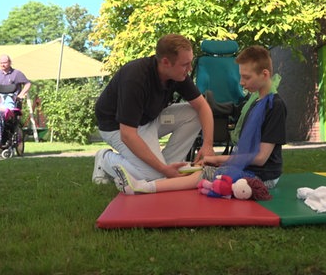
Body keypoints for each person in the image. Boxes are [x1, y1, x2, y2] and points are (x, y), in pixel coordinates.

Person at [111, 45, 287, 195]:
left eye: (246, 77)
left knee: (203, 174)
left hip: (264, 177)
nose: (241, 82)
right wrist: (214, 158)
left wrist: (217, 159)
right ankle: (147, 184)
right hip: (249, 169)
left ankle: (143, 187)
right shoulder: (255, 101)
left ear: (264, 74)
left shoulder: (275, 106)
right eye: (240, 76)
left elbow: (261, 158)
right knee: (200, 170)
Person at [92, 34, 215, 184]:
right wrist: (162, 169)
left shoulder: (177, 74)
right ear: (165, 62)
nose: (189, 69)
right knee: (153, 177)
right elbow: (128, 135)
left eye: (190, 63)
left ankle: (170, 167)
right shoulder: (135, 79)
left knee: (194, 113)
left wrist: (208, 145)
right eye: (185, 64)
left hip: (150, 118)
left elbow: (203, 107)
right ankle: (105, 159)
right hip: (116, 127)